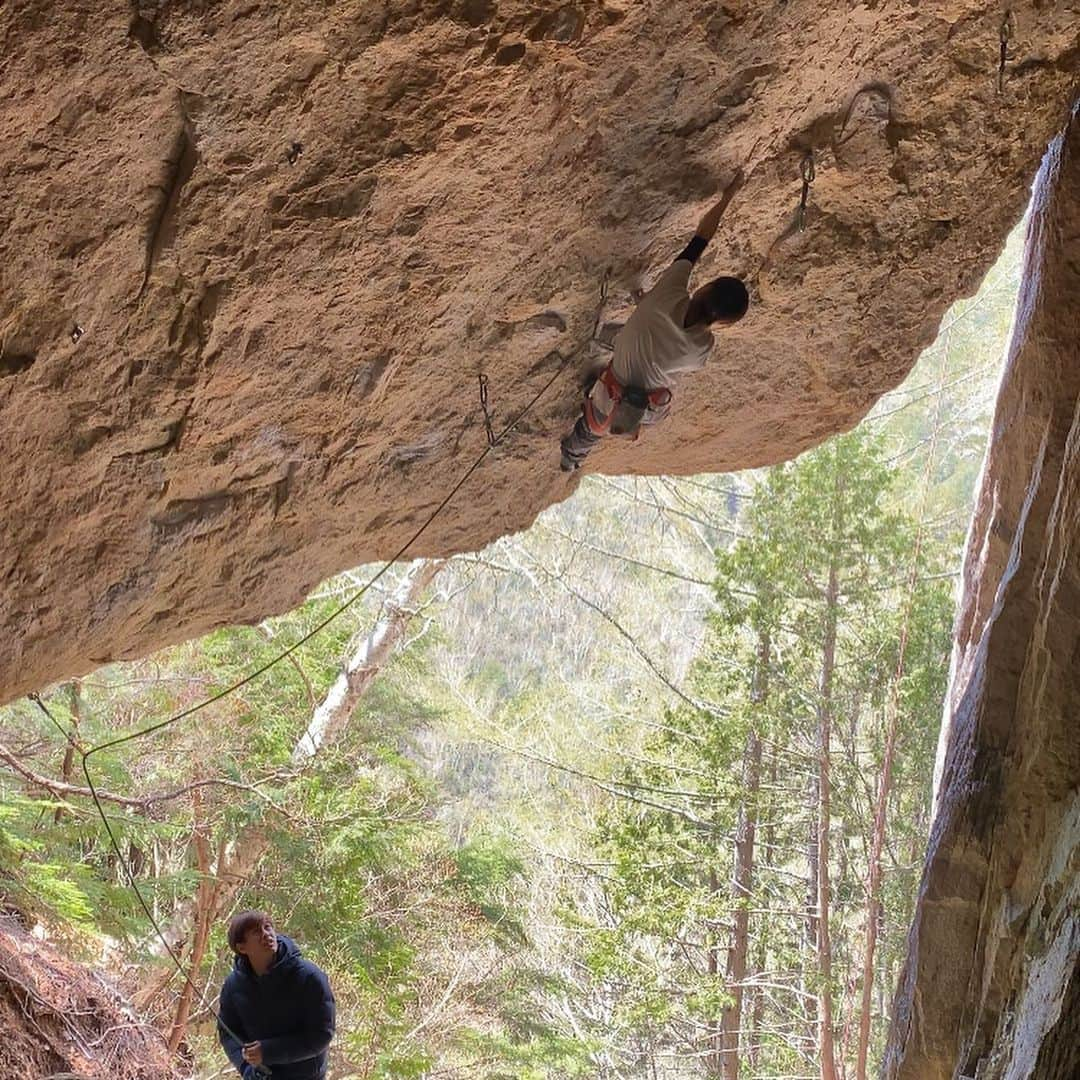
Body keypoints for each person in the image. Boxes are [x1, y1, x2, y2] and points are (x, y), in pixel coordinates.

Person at [560, 172, 749, 471]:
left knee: (590, 427)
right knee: (604, 421)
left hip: (606, 400)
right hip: (637, 409)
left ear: (705, 288)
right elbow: (671, 339)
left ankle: (573, 451)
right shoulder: (701, 348)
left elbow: (700, 240)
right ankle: (570, 460)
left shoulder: (670, 291)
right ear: (723, 324)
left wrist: (728, 195)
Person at [218, 910, 335, 1080]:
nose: (266, 935)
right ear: (241, 947)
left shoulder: (309, 977)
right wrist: (246, 1068)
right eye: (257, 932)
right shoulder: (233, 986)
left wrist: (267, 1052)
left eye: (268, 927)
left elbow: (321, 1034)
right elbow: (228, 1032)